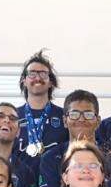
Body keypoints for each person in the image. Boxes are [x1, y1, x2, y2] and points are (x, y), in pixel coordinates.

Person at [38, 89, 102, 187]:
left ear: (98, 121)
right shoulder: (50, 157)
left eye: (88, 114)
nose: (81, 119)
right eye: (74, 114)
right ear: (65, 121)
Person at [13, 49, 69, 177]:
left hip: (55, 184)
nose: (37, 78)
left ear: (51, 82)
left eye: (43, 74)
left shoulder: (64, 117)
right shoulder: (12, 117)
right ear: (24, 81)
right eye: (32, 73)